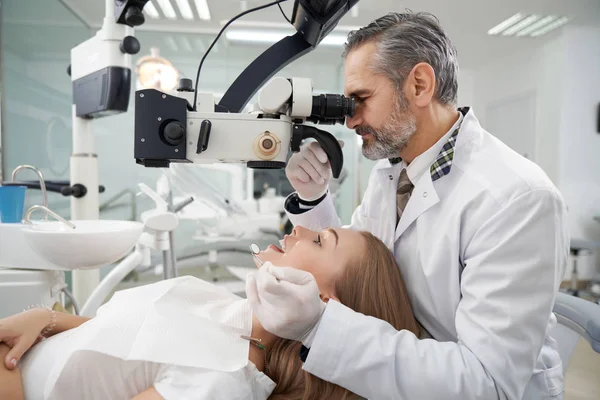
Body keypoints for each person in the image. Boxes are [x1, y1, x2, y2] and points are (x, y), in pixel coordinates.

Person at [247, 11, 570, 400]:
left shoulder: (516, 198)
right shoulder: (394, 171)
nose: (350, 121)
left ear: (419, 84)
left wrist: (320, 328)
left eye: (361, 99)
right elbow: (360, 260)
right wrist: (316, 197)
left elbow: (487, 385)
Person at [0, 227, 418, 400]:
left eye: (322, 241)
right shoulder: (230, 310)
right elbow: (126, 344)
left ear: (325, 304)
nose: (299, 228)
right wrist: (48, 319)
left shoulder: (222, 382)